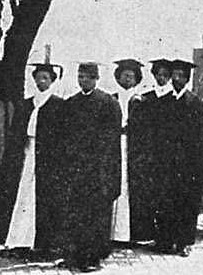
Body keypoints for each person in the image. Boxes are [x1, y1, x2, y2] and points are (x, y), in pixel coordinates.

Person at [60, 62, 122, 272]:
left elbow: (111, 140)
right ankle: (73, 255)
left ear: (96, 79)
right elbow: (66, 135)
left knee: (95, 216)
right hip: (77, 169)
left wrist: (103, 168)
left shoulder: (108, 103)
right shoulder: (72, 103)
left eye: (87, 77)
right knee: (75, 214)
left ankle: (91, 258)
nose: (83, 80)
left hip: (98, 171)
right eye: (80, 76)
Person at [0, 63, 65, 259]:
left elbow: (61, 137)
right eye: (38, 78)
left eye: (46, 78)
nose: (41, 82)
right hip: (27, 155)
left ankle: (43, 243)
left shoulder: (57, 104)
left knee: (42, 198)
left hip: (47, 160)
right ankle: (19, 239)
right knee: (22, 195)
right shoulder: (26, 104)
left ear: (52, 81)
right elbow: (17, 132)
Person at [154, 59, 203, 256]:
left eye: (182, 76)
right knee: (166, 202)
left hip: (187, 164)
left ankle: (184, 242)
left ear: (187, 79)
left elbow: (201, 138)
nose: (178, 79)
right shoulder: (164, 101)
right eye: (174, 75)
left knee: (186, 203)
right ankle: (165, 240)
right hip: (166, 162)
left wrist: (198, 164)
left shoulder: (195, 103)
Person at [128, 59, 172, 244]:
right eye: (158, 75)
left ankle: (164, 232)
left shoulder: (173, 98)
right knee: (147, 192)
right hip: (149, 153)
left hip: (167, 154)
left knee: (165, 193)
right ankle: (145, 232)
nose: (161, 78)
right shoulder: (146, 98)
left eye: (165, 75)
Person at [110, 59, 144, 246]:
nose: (127, 79)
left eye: (131, 76)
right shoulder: (111, 98)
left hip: (133, 148)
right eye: (124, 75)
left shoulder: (140, 100)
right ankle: (111, 233)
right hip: (115, 145)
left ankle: (128, 234)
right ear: (118, 77)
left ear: (136, 79)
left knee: (129, 187)